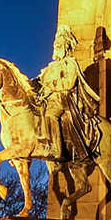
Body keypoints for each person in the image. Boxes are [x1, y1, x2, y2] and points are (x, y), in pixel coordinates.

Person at [36, 25, 99, 162]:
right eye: (55, 45)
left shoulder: (70, 64)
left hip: (62, 100)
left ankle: (56, 148)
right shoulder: (50, 67)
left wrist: (51, 85)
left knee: (51, 115)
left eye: (60, 45)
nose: (56, 47)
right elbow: (39, 82)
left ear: (66, 47)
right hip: (46, 100)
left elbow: (69, 82)